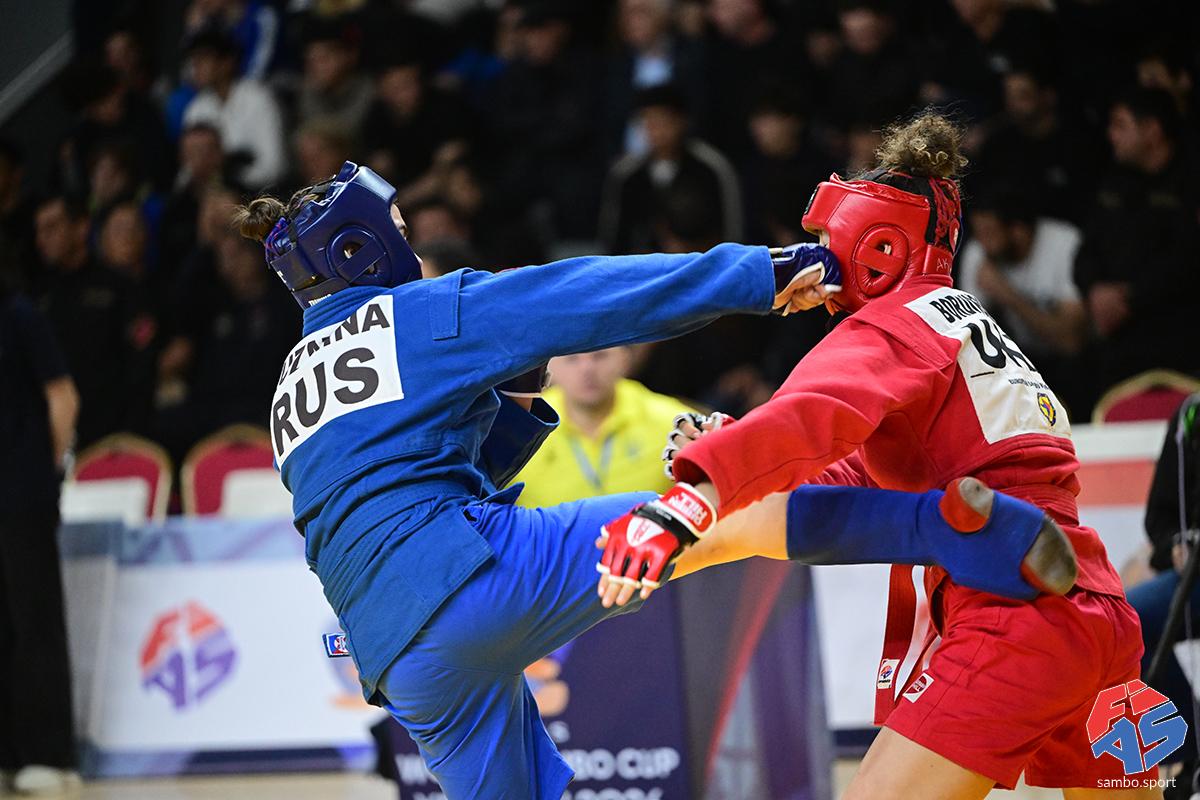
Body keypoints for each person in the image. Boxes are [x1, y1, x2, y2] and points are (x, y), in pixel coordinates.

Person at [234, 160, 1074, 798]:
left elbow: (420, 481)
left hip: (398, 658)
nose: (417, 253)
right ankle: (962, 531)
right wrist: (762, 273)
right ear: (360, 250)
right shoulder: (416, 314)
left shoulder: (289, 391)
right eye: (402, 235)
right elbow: (596, 294)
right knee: (724, 514)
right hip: (468, 579)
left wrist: (513, 399)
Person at [623, 113, 1154, 797]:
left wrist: (715, 471)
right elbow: (857, 469)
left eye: (825, 246)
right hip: (1098, 607)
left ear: (877, 246)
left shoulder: (892, 326)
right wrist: (742, 452)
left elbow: (807, 418)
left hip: (1013, 609)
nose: (817, 266)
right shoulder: (964, 318)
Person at [0, 282, 80, 796]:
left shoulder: (20, 315)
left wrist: (40, 471)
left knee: (34, 623)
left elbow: (63, 397)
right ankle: (7, 753)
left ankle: (49, 754)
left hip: (21, 495)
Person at [956, 188, 1089, 415]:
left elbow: (1071, 341)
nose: (982, 243)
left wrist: (1006, 294)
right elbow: (970, 345)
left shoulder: (1063, 242)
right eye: (979, 233)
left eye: (989, 233)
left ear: (1018, 231)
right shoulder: (978, 252)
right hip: (1019, 365)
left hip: (1072, 368)